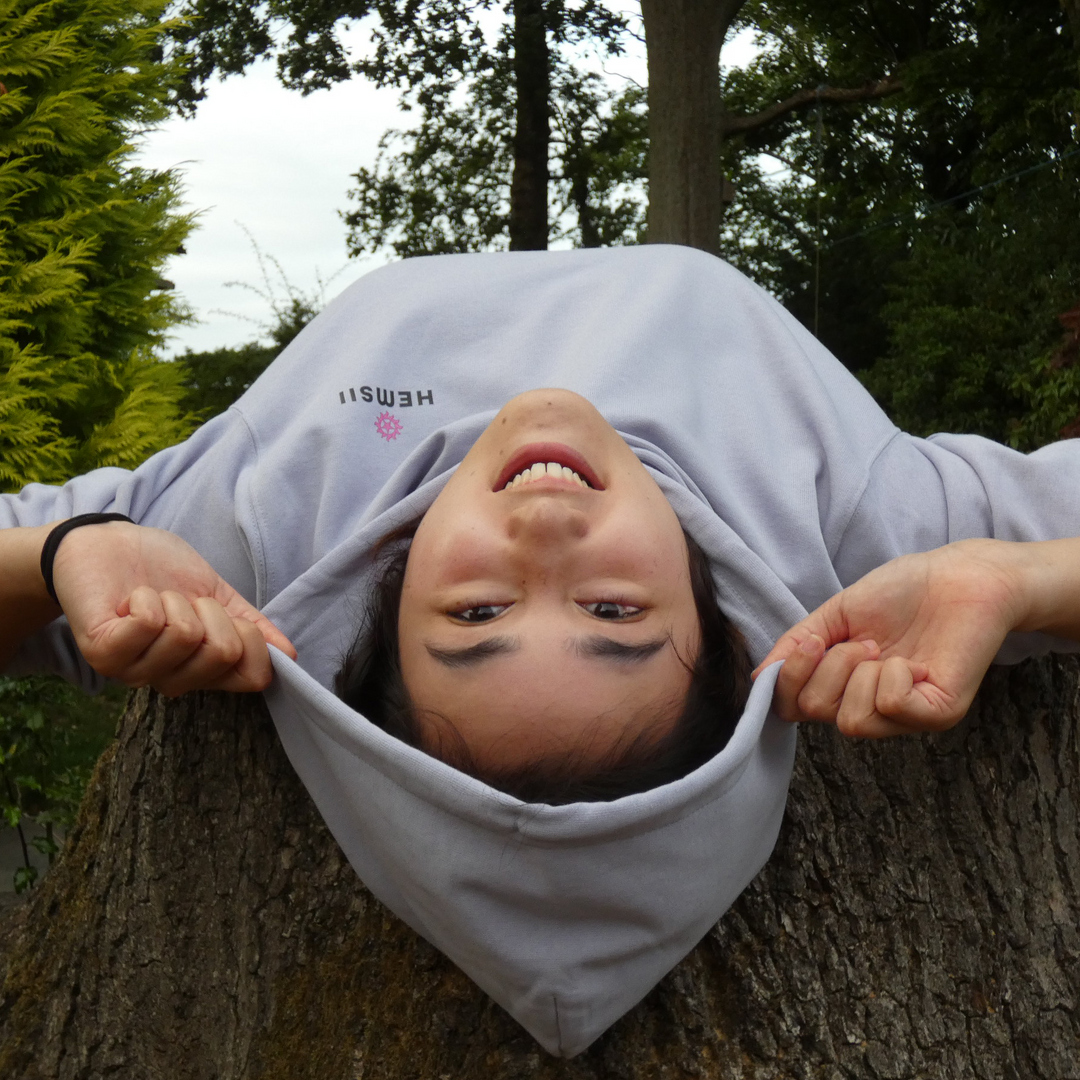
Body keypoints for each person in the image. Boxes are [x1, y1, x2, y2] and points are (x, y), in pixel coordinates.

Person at [2, 245, 1079, 1056]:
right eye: (615, 612)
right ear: (726, 633)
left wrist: (60, 553)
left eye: (475, 617)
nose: (546, 536)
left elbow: (61, 575)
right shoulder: (841, 537)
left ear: (376, 621)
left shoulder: (252, 543)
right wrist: (1020, 578)